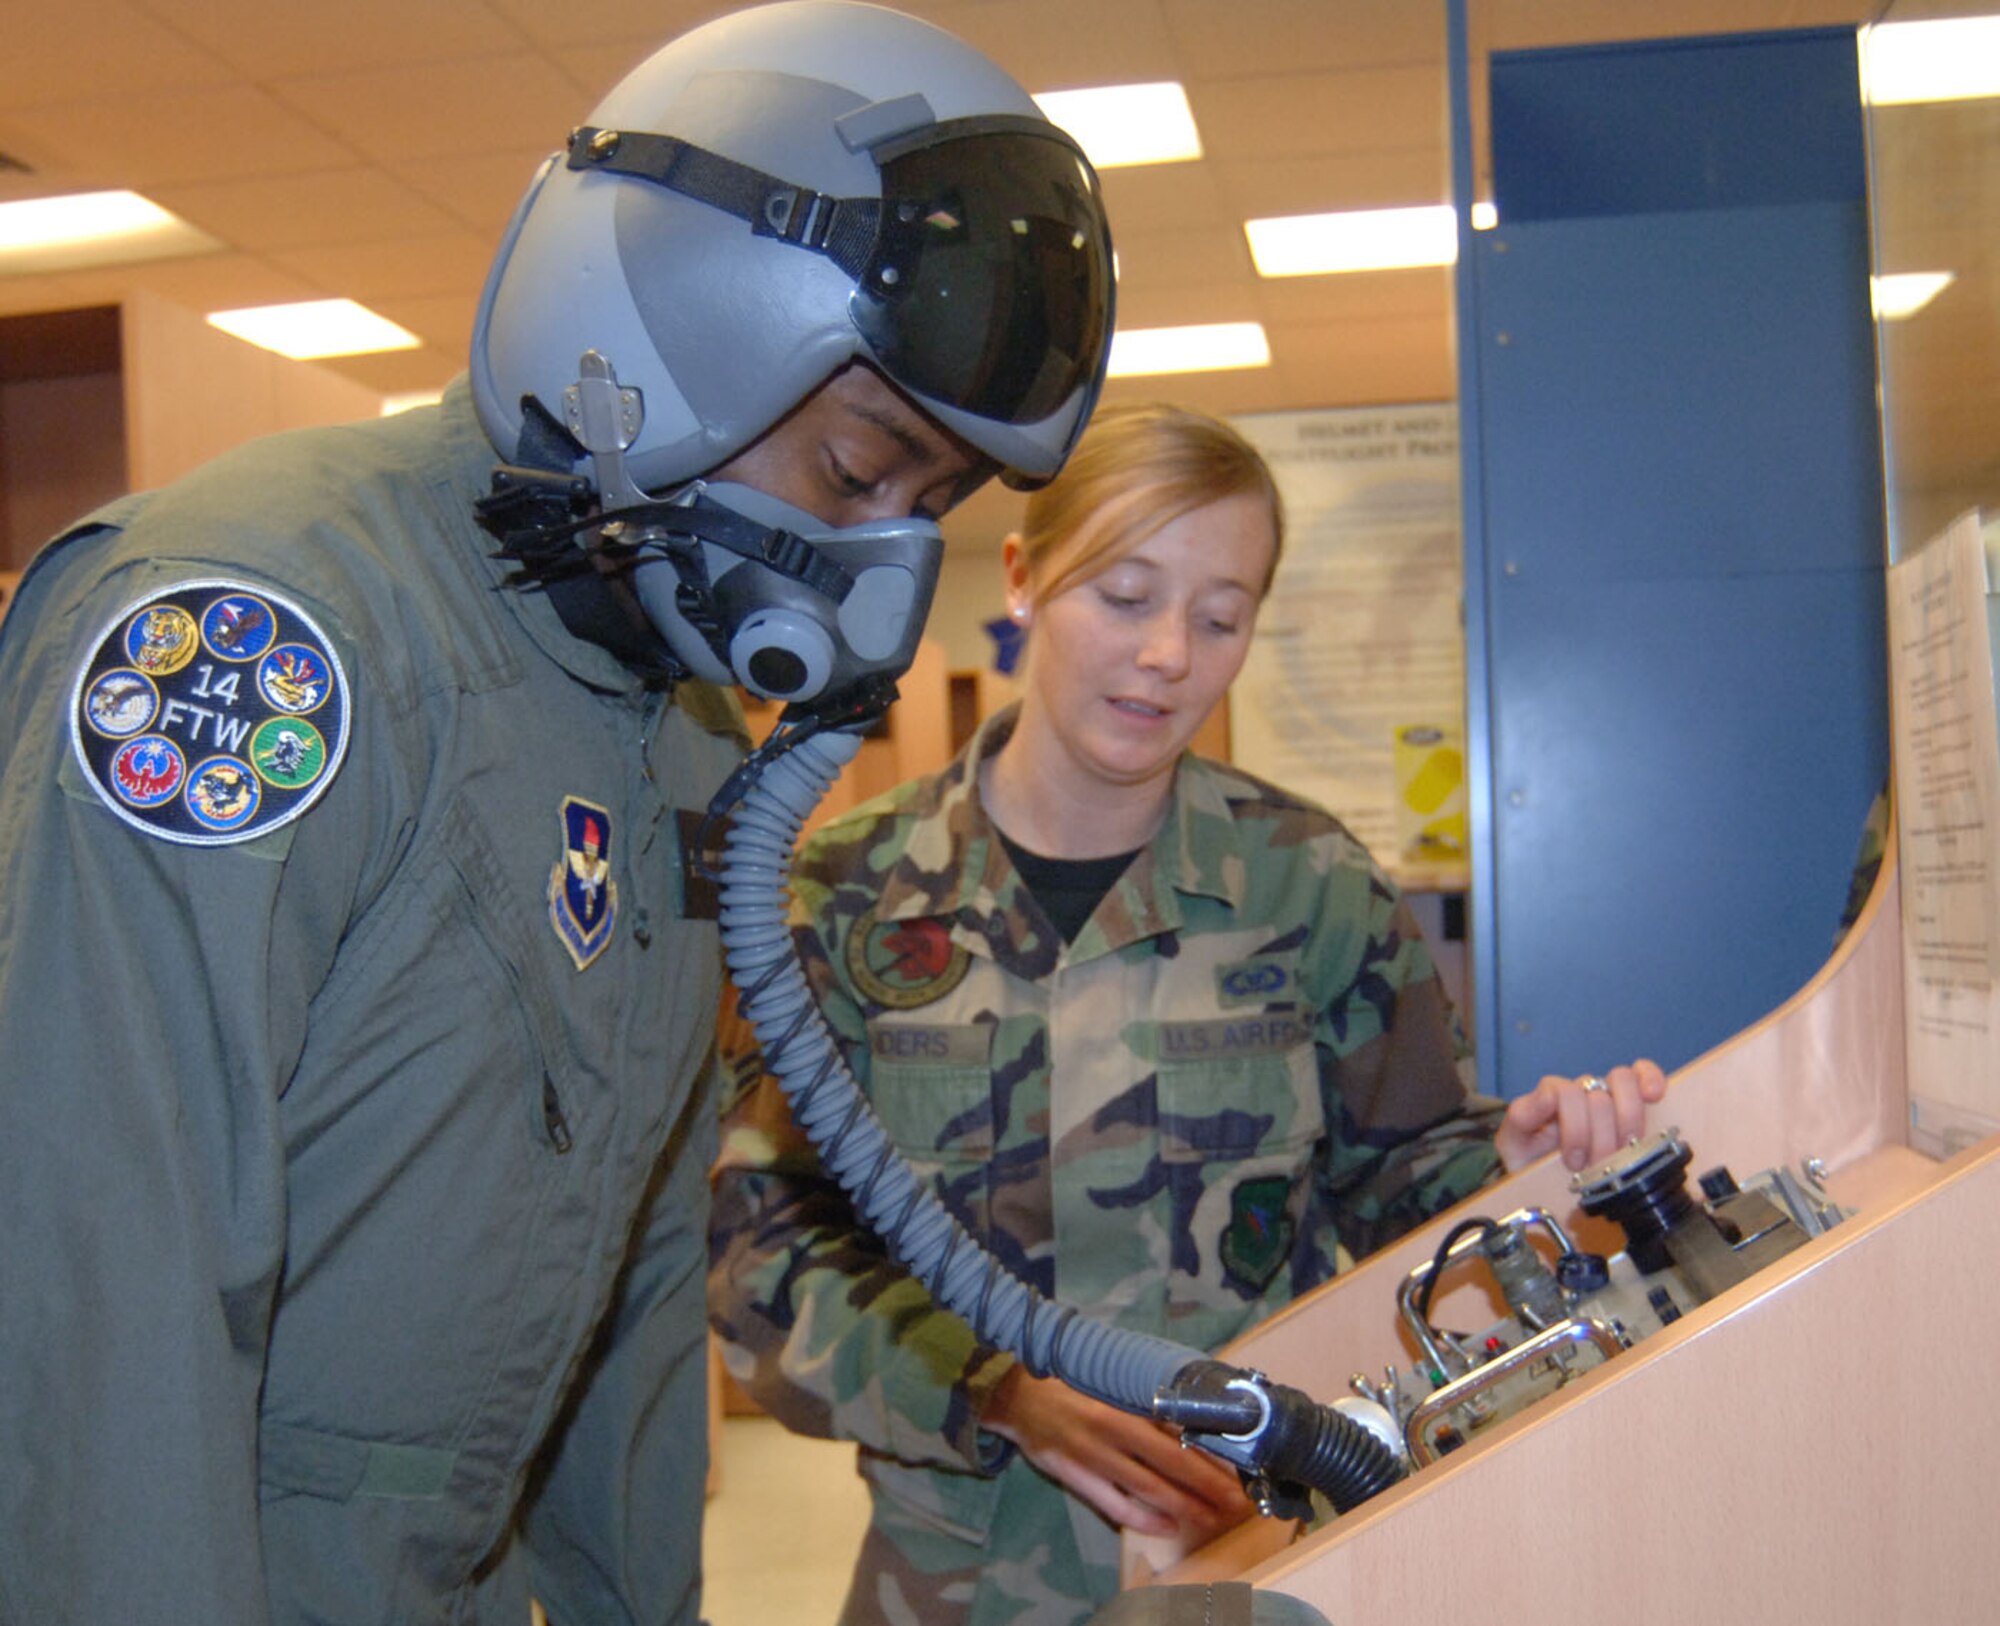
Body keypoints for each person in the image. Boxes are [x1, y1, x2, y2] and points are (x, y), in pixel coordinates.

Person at [0, 5, 1114, 1622]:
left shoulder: (667, 732)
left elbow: (635, 1277)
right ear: (667, 348)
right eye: (860, 469)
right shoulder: (247, 641)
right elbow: (99, 1286)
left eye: (928, 507)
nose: (879, 563)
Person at [707, 402, 1668, 1626]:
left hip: (1257, 1558)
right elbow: (753, 1252)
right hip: (953, 1577)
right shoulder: (839, 896)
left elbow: (1407, 1175)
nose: (1167, 653)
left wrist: (1516, 1173)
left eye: (1219, 618)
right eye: (1123, 596)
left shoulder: (1303, 883)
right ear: (1023, 577)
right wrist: (995, 1389)